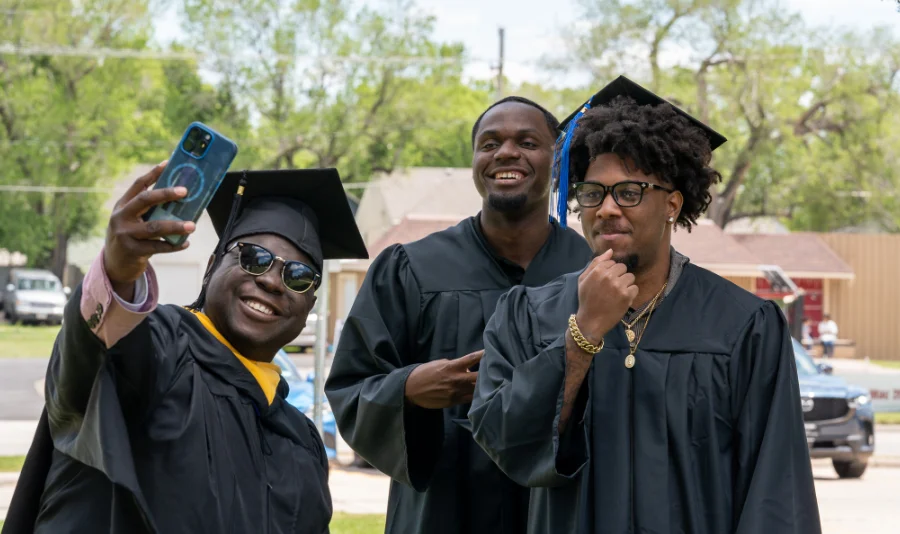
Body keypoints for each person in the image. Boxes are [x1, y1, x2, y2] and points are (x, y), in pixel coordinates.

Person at [468, 76, 821, 534]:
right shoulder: (526, 314)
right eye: (592, 193)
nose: (607, 208)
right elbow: (502, 440)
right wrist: (584, 334)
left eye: (629, 192)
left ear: (672, 203)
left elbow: (777, 485)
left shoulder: (743, 325)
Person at [3, 167, 368, 534]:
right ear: (211, 267)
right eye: (253, 258)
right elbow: (95, 350)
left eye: (298, 277)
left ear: (309, 307)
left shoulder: (302, 442)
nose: (272, 281)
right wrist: (118, 272)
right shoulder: (161, 351)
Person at [324, 97, 593, 534]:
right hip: (440, 513)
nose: (505, 153)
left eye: (527, 141)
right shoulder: (411, 269)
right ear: (474, 162)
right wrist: (408, 388)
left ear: (556, 159)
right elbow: (351, 386)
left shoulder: (593, 271)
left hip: (556, 510)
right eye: (489, 143)